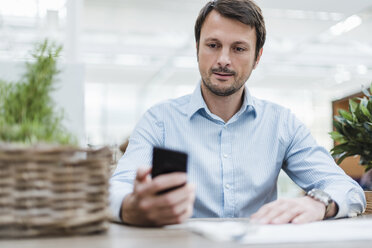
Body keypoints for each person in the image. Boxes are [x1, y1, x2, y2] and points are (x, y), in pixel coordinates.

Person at [109, 0, 366, 227]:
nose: (223, 59)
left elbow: (347, 190)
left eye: (239, 48)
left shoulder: (281, 123)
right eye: (213, 45)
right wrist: (132, 207)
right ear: (197, 48)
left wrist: (318, 203)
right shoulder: (159, 121)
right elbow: (115, 188)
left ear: (257, 57)